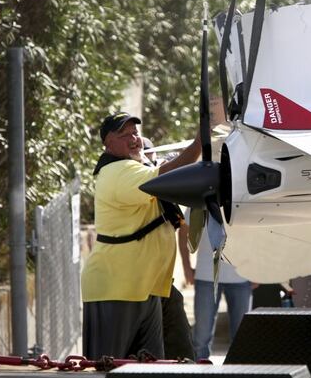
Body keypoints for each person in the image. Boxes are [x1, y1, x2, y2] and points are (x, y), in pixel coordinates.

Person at [80, 112, 201, 360]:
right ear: (108, 144)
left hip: (144, 286)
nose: (133, 138)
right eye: (124, 134)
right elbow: (168, 176)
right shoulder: (118, 172)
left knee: (150, 368)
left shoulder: (136, 166)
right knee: (108, 368)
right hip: (116, 287)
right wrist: (200, 142)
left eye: (135, 132)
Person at [141, 136, 195, 361]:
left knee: (178, 347)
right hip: (139, 284)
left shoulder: (161, 187)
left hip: (160, 283)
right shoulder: (134, 183)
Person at [191, 214, 253, 362]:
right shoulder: (200, 196)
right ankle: (199, 374)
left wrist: (256, 270)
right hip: (206, 275)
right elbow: (184, 231)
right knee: (201, 335)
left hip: (241, 275)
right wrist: (186, 266)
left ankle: (241, 374)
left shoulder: (243, 196)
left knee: (242, 334)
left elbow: (260, 236)